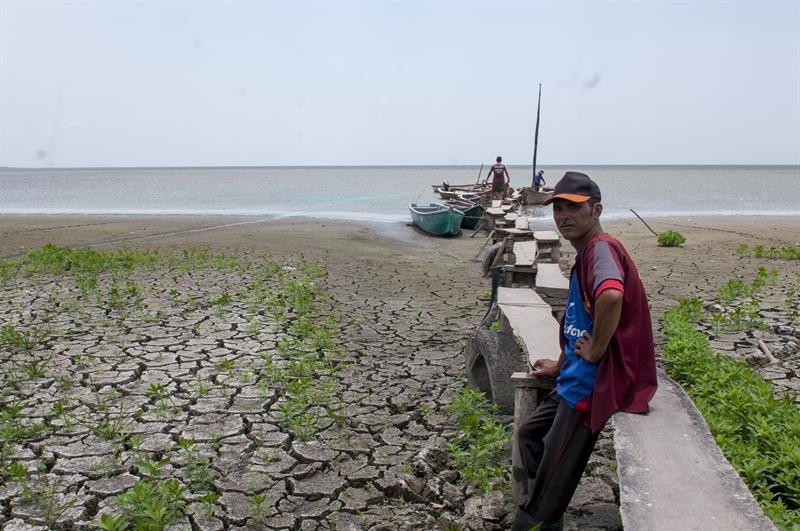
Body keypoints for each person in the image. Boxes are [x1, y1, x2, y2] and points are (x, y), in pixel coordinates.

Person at [512, 171, 658, 531]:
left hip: (593, 385)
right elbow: (580, 322)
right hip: (573, 376)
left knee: (550, 485)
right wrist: (560, 365)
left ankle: (539, 516)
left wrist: (595, 350)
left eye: (574, 208)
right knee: (530, 434)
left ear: (596, 210)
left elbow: (611, 295)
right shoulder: (585, 255)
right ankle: (547, 512)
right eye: (558, 208)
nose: (564, 216)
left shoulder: (601, 249)